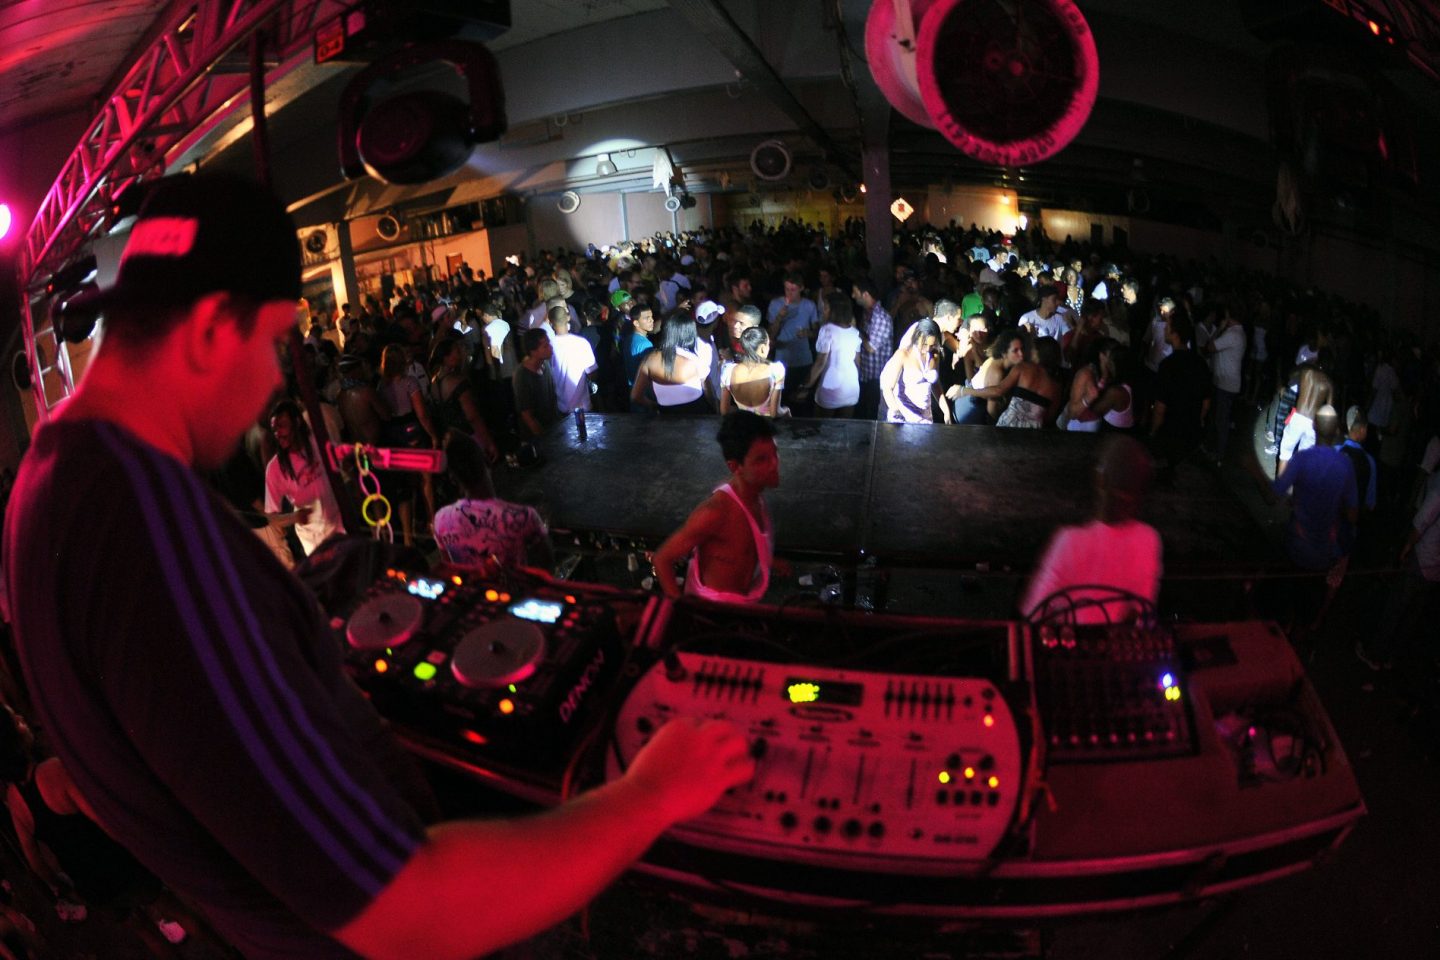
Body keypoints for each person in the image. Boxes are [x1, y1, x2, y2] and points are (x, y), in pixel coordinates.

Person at [1, 172, 753, 960]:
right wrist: (651, 795)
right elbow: (409, 911)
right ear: (213, 327)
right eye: (268, 344)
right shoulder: (156, 541)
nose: (270, 383)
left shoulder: (45, 480)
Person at [1021, 435, 1162, 624]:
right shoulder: (1149, 540)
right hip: (1115, 647)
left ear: (1100, 478)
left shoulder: (1070, 541)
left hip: (1070, 648)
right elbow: (1140, 609)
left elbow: (1035, 612)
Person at [652, 411, 782, 603]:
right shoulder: (716, 512)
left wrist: (769, 561)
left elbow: (739, 548)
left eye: (774, 454)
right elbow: (662, 559)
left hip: (743, 603)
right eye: (761, 460)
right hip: (713, 614)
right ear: (735, 467)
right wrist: (682, 610)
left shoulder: (754, 494)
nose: (774, 465)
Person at [433, 431, 554, 571]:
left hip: (473, 591)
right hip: (515, 592)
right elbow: (547, 568)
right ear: (487, 460)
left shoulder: (440, 520)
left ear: (453, 478)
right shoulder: (522, 516)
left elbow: (451, 568)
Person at [264, 399, 346, 557]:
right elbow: (272, 518)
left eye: (282, 426)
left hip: (339, 524)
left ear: (297, 422)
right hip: (314, 539)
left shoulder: (317, 442)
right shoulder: (274, 469)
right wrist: (294, 517)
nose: (278, 433)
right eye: (274, 429)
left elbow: (340, 462)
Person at [631, 311, 712, 414]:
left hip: (665, 416)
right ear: (690, 333)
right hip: (697, 415)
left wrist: (654, 406)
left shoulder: (650, 360)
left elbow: (635, 397)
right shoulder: (696, 358)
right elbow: (708, 392)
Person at [803, 291, 863, 418]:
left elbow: (820, 362)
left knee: (823, 429)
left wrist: (806, 386)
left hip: (830, 385)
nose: (823, 311)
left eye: (825, 308)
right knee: (844, 430)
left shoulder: (827, 330)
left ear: (834, 311)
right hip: (851, 386)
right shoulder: (855, 332)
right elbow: (858, 362)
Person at [767, 272, 819, 415]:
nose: (789, 293)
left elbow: (817, 331)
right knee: (782, 400)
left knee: (802, 401)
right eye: (786, 289)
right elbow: (771, 335)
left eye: (793, 289)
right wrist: (779, 317)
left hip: (803, 359)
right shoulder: (776, 304)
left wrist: (808, 333)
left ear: (801, 288)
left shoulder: (809, 305)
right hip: (782, 360)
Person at [880, 318, 941, 424]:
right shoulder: (903, 355)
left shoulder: (934, 355)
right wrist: (896, 411)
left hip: (925, 419)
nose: (927, 349)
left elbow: (935, 385)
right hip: (903, 417)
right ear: (917, 337)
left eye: (932, 345)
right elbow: (887, 388)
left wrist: (945, 409)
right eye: (924, 344)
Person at [719, 326, 786, 417]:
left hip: (743, 425)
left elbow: (724, 411)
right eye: (768, 344)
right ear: (763, 348)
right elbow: (775, 413)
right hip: (765, 426)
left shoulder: (728, 371)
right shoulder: (776, 370)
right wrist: (786, 411)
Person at [547, 304, 598, 415]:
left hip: (560, 406)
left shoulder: (548, 346)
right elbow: (592, 373)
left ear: (550, 322)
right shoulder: (581, 343)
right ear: (568, 318)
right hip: (583, 405)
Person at [853, 279, 893, 421]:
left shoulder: (881, 318)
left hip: (877, 378)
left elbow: (870, 347)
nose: (853, 295)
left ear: (865, 295)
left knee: (871, 416)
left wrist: (855, 330)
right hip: (866, 374)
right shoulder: (867, 313)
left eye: (855, 292)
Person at [514, 328, 562, 439]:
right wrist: (543, 439)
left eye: (549, 343)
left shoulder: (545, 364)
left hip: (552, 428)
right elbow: (527, 416)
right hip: (538, 437)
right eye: (545, 346)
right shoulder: (522, 376)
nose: (550, 347)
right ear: (533, 351)